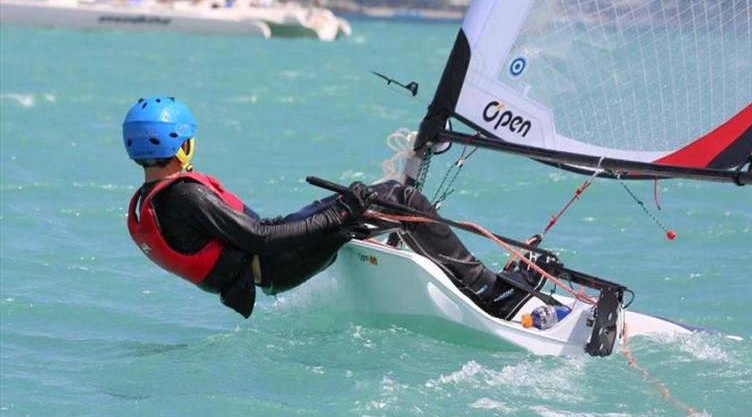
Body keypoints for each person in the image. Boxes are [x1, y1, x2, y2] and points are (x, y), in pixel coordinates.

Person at [123, 97, 541, 319]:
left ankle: (452, 276)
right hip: (274, 263)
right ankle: (492, 292)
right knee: (400, 198)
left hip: (264, 268)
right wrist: (342, 213)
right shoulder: (185, 196)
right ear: (182, 144)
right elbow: (260, 238)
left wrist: (343, 209)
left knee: (374, 200)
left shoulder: (148, 202)